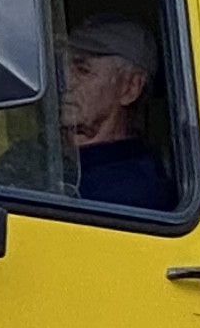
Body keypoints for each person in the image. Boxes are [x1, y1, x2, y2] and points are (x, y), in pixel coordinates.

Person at [56, 15, 176, 211]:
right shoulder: (36, 152)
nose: (64, 83)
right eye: (61, 69)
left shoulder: (138, 191)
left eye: (83, 70)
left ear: (130, 88)